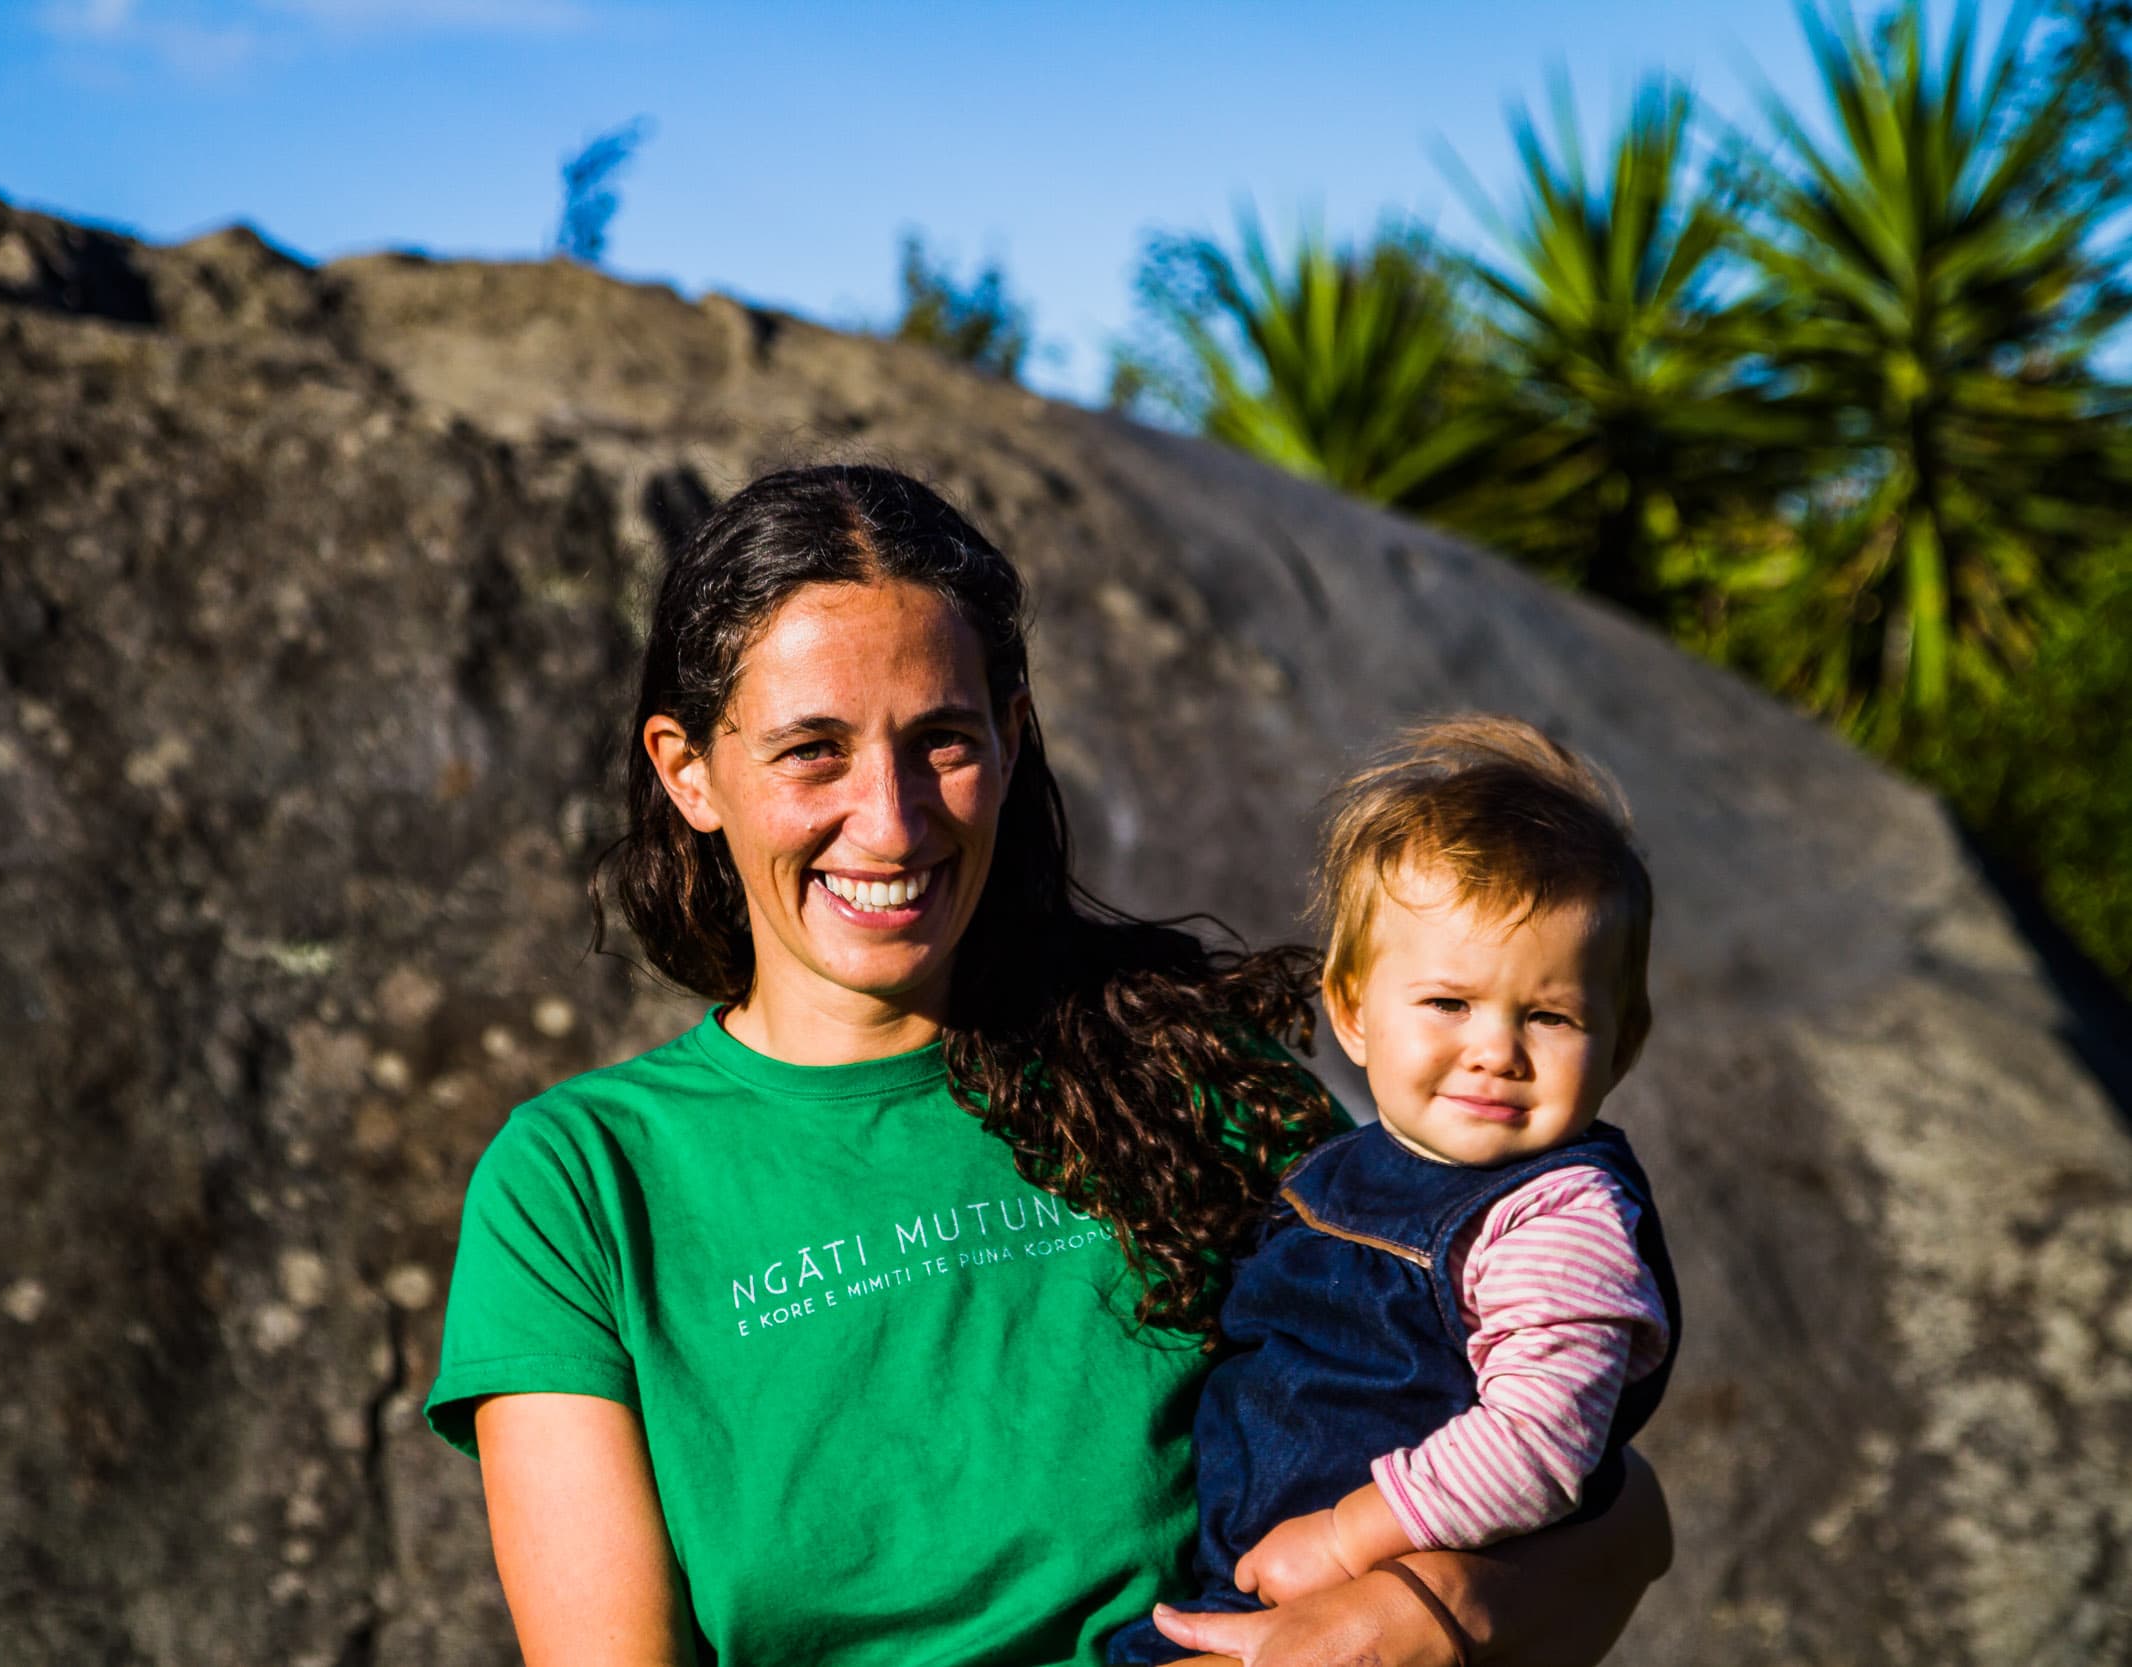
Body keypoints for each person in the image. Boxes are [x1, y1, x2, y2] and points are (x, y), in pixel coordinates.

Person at [424, 465, 1672, 1667]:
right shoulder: (580, 1184)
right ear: (687, 769)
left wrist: (1420, 1618)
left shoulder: (1189, 1076)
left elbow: (1617, 1515)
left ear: (1011, 739)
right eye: (813, 749)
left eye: (942, 740)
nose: (892, 821)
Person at [1110, 718, 1681, 1664]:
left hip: (1361, 1591)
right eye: (1450, 1003)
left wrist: (1350, 1537)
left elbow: (1539, 1442)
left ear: (1620, 1045)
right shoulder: (1344, 1167)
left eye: (1549, 1016)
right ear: (1352, 1010)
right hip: (1251, 1575)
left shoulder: (1557, 1218)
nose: (1496, 1050)